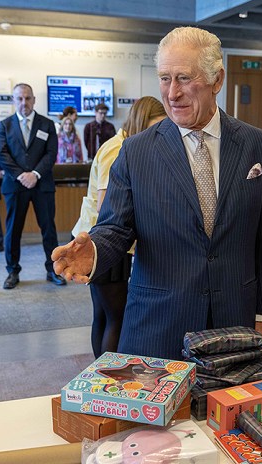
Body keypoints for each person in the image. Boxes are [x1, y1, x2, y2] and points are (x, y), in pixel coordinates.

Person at [52, 26, 262, 360]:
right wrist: (95, 251)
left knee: (223, 411)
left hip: (234, 319)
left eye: (184, 78)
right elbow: (116, 226)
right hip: (158, 324)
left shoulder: (257, 144)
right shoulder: (136, 151)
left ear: (217, 80)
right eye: (164, 78)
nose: (172, 93)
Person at [72, 96, 166, 358]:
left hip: (98, 241)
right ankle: (109, 380)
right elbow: (107, 208)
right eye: (154, 125)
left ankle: (100, 376)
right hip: (104, 243)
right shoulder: (119, 148)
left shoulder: (125, 144)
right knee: (117, 318)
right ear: (141, 120)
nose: (156, 133)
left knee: (103, 316)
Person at [0, 83, 66, 289]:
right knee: (13, 230)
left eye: (28, 98)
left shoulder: (47, 124)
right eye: (19, 98)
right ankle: (12, 271)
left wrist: (35, 174)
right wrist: (22, 175)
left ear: (34, 100)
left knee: (48, 230)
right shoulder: (4, 125)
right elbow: (2, 154)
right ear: (13, 100)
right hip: (15, 185)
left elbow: (51, 154)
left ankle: (52, 270)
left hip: (42, 184)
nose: (24, 103)